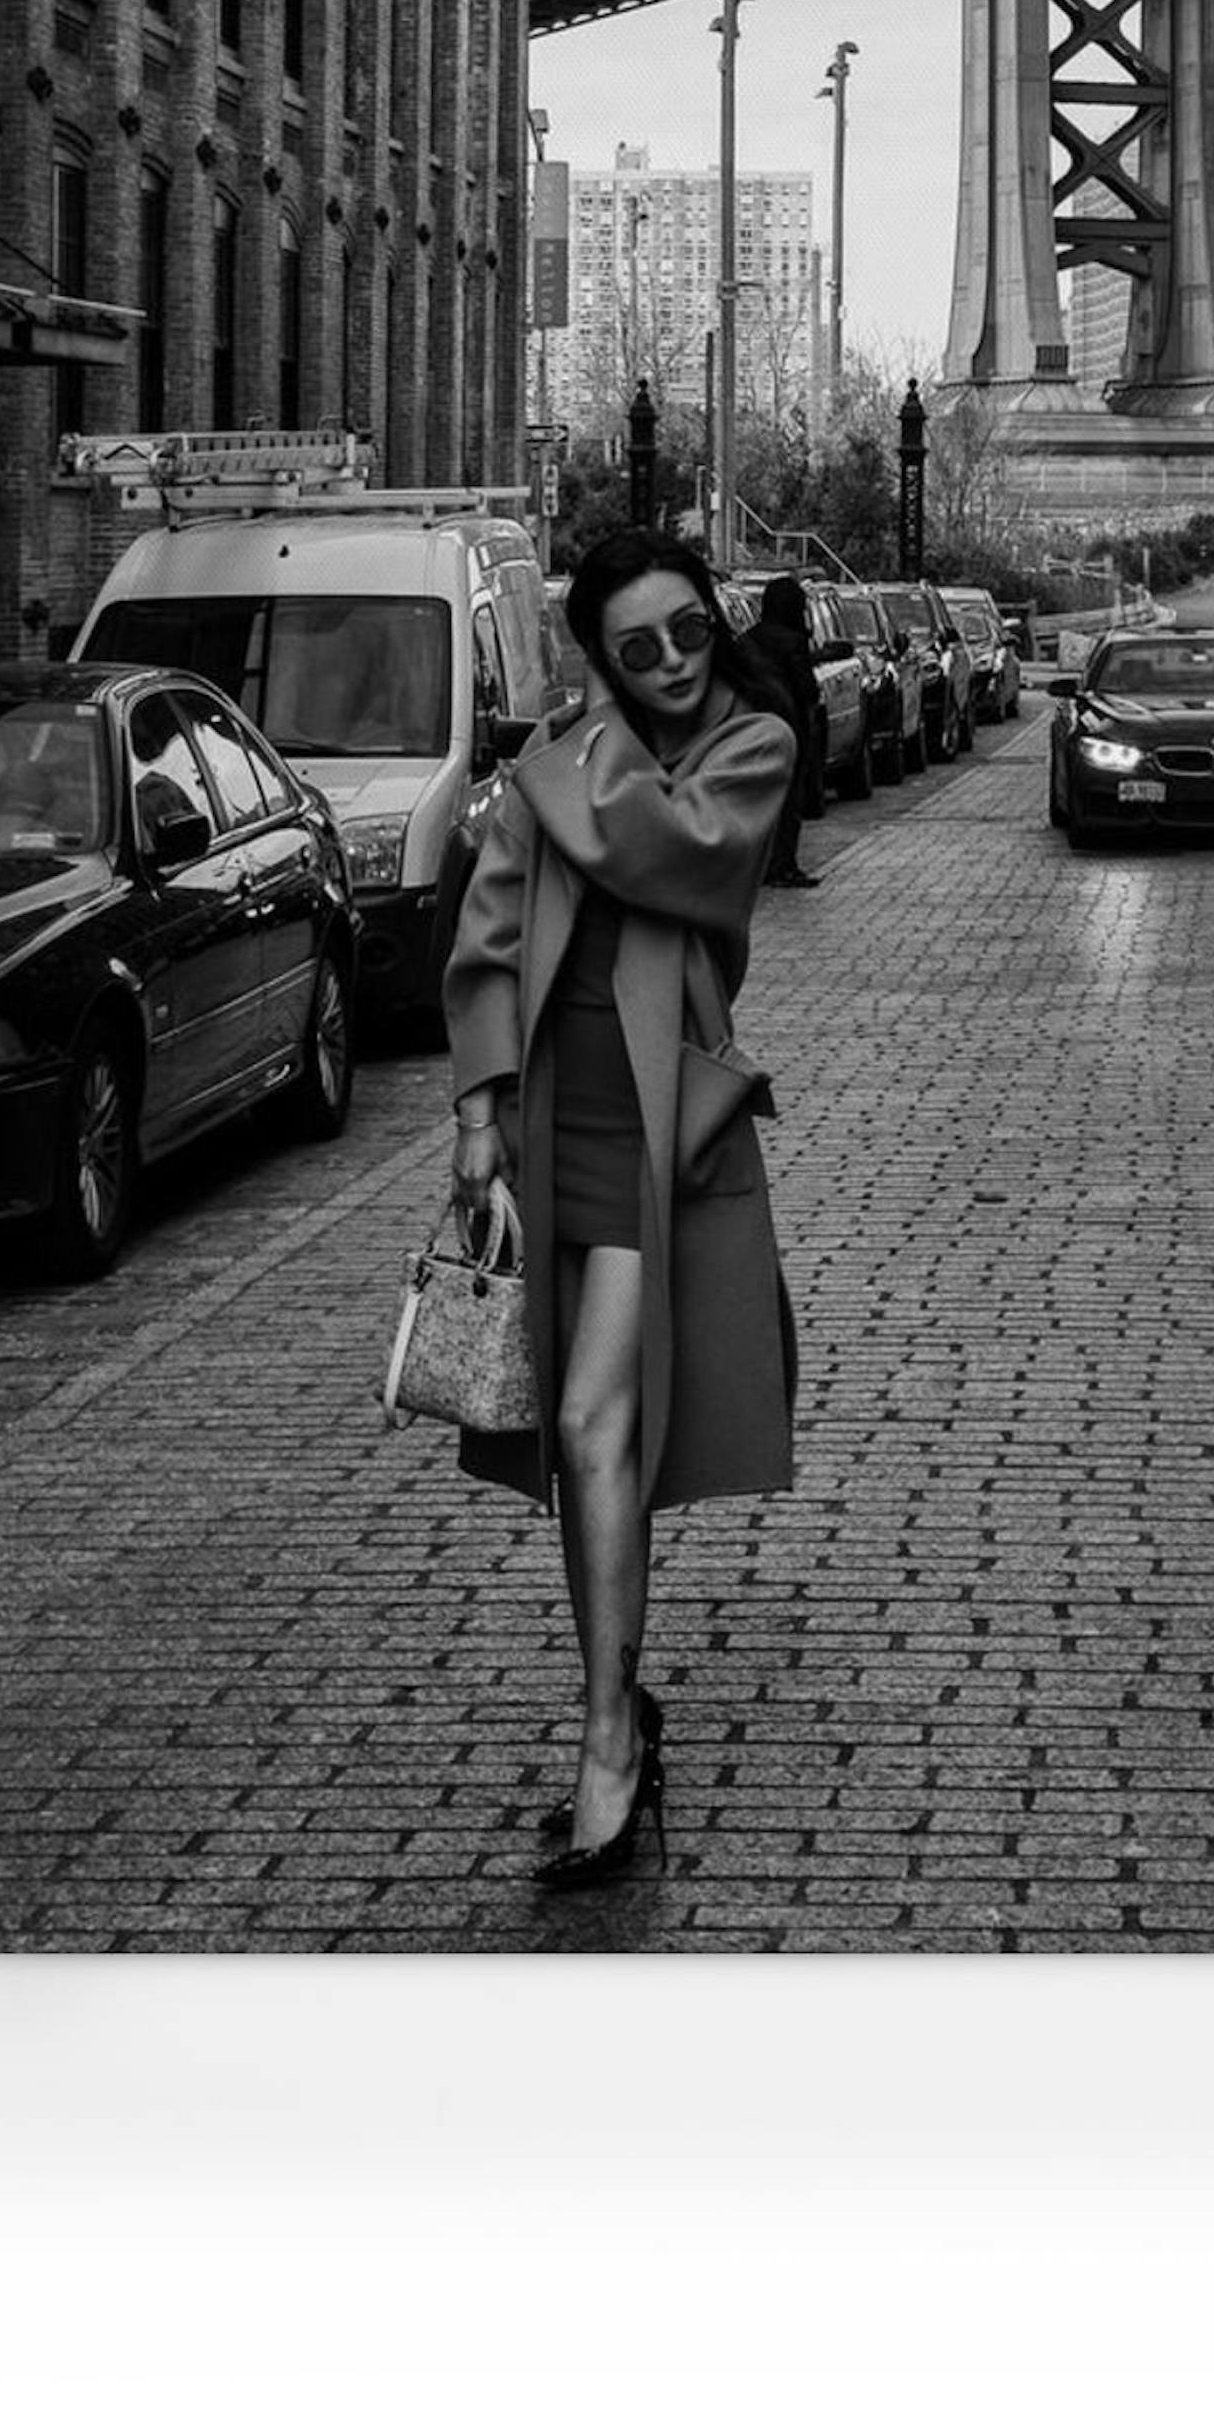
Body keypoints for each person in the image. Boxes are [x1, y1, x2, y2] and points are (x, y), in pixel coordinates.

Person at [442, 527, 803, 1887]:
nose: (667, 665)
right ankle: (616, 1713)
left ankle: (607, 1736)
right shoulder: (564, 758)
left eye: (687, 634)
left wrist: (555, 762)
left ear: (715, 623)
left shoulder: (748, 745)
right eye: (635, 648)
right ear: (602, 655)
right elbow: (484, 935)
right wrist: (475, 1117)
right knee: (578, 1441)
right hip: (547, 1121)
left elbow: (676, 851)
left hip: (661, 1133)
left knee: (598, 1424)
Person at [752, 570, 828, 885]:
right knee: (787, 802)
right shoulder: (793, 643)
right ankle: (783, 865)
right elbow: (807, 689)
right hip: (788, 729)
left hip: (752, 731)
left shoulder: (749, 641)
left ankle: (759, 864)